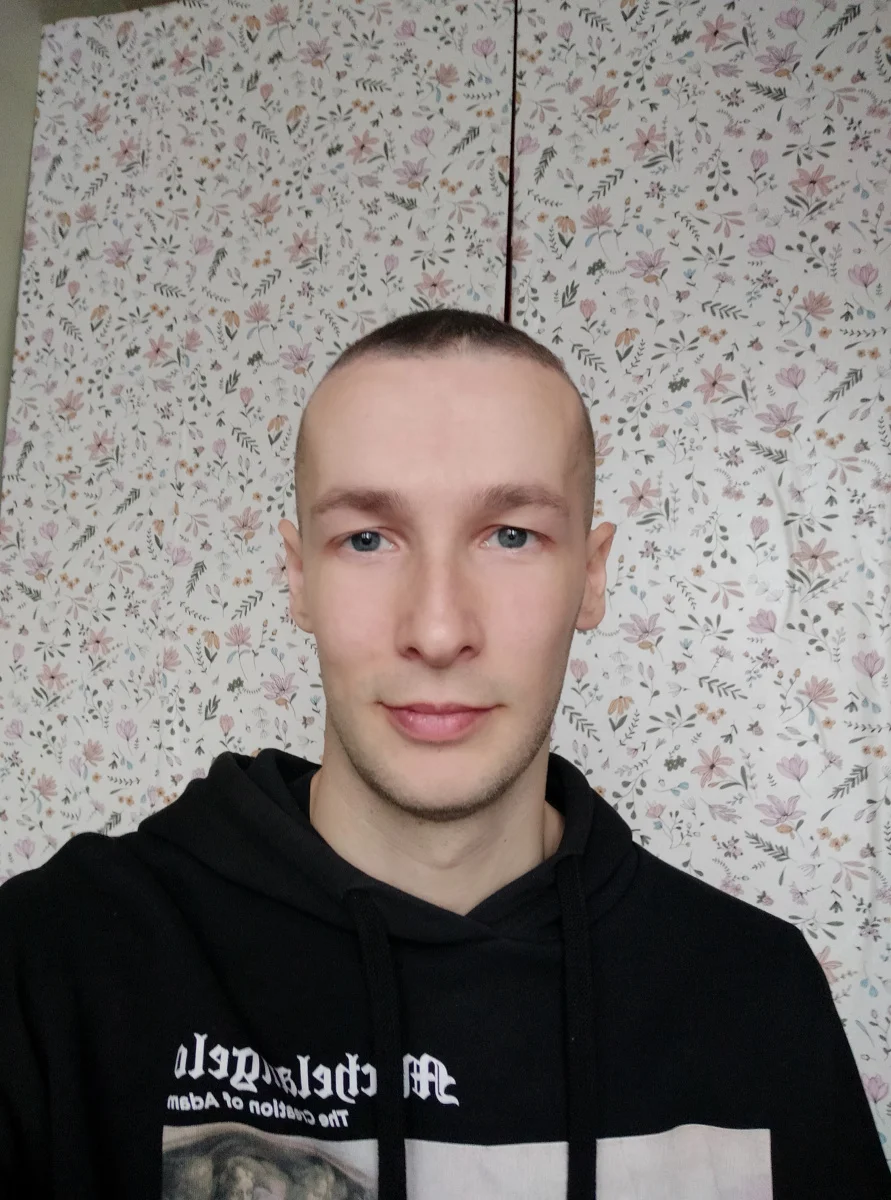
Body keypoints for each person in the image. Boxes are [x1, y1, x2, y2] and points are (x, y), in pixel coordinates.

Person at [0, 308, 888, 1200]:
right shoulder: (54, 961)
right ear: (298, 576)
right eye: (366, 539)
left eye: (511, 536)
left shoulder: (753, 990)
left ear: (591, 575)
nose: (435, 630)